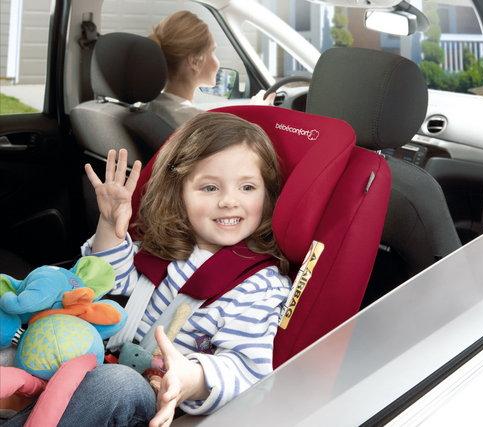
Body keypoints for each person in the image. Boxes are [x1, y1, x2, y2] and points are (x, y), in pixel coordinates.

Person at [4, 112, 291, 427]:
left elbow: (245, 367)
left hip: (159, 401)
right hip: (97, 364)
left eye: (247, 187)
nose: (229, 201)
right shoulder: (162, 249)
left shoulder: (260, 285)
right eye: (210, 188)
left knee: (116, 383)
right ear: (178, 192)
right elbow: (108, 283)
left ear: (268, 196)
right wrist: (110, 225)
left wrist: (189, 379)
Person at [147, 11, 274, 128]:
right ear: (195, 61)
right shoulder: (196, 122)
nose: (217, 61)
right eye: (212, 51)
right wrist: (258, 113)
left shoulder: (154, 107)